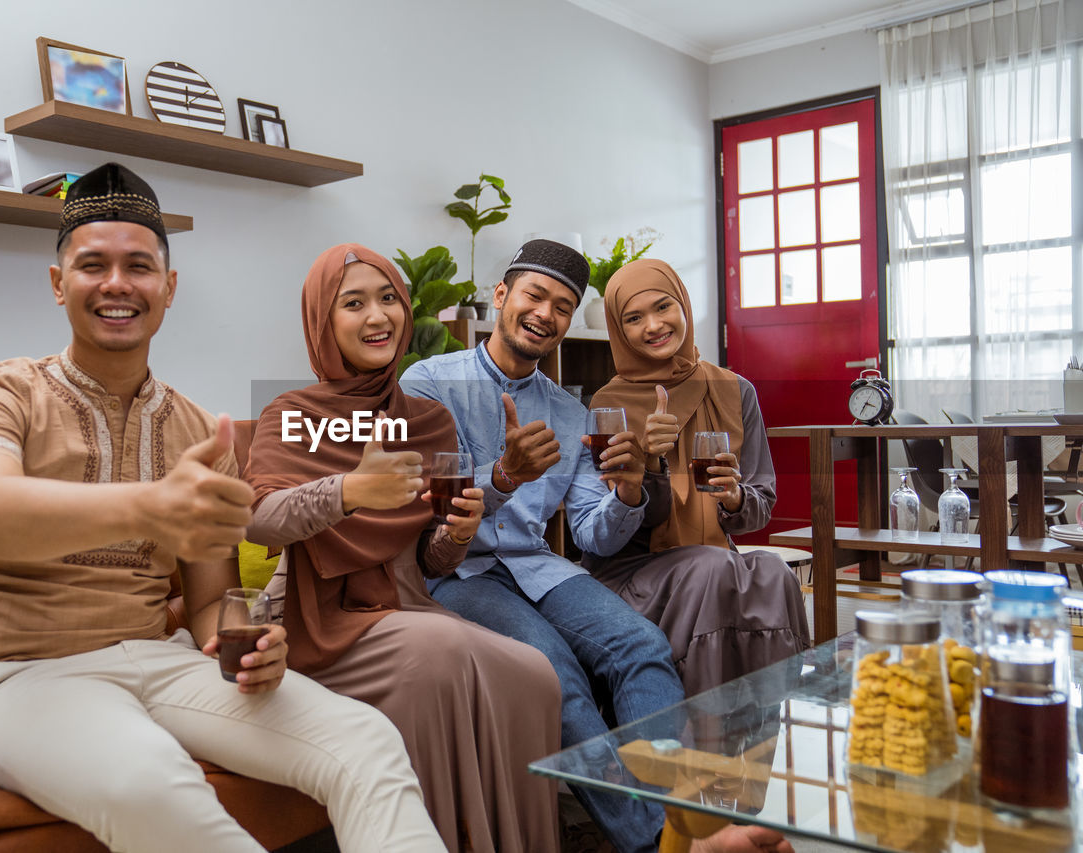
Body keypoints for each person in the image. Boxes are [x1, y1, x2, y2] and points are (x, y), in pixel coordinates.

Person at [0, 163, 444, 853]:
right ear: (59, 284)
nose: (117, 283)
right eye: (93, 265)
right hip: (12, 672)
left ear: (168, 289)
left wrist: (247, 641)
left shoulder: (202, 431)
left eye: (139, 265)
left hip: (160, 658)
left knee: (364, 739)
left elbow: (207, 605)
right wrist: (149, 505)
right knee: (151, 778)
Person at [401, 240, 792, 853]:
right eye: (535, 296)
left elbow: (591, 532)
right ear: (502, 297)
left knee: (642, 645)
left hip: (538, 565)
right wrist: (502, 477)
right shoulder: (428, 381)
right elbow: (422, 504)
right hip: (457, 573)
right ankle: (664, 841)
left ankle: (684, 821)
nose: (546, 314)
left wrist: (630, 491)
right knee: (553, 674)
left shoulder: (568, 409)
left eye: (562, 306)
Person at [245, 243, 561, 852]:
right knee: (436, 653)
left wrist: (458, 534)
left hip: (405, 610)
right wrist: (350, 489)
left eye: (389, 298)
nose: (377, 316)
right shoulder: (290, 414)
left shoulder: (427, 421)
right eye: (353, 303)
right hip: (317, 623)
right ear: (322, 321)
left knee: (537, 675)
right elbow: (261, 519)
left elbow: (427, 560)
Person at [585, 259, 810, 696]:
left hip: (713, 552)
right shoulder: (608, 404)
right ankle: (704, 734)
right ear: (619, 328)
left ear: (684, 306)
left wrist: (732, 498)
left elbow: (760, 505)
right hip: (634, 565)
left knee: (772, 572)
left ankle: (764, 723)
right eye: (633, 318)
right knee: (711, 569)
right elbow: (619, 525)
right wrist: (651, 460)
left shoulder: (736, 389)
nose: (653, 325)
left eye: (663, 307)